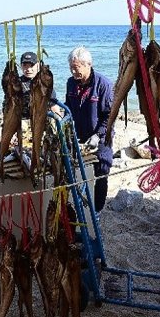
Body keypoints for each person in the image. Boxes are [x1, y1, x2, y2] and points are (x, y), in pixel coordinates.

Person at [65, 46, 113, 213]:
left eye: (76, 68)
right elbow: (68, 109)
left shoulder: (103, 84)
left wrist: (98, 135)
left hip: (100, 138)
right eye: (71, 67)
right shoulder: (71, 83)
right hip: (78, 136)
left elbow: (109, 116)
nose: (73, 71)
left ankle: (97, 211)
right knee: (76, 172)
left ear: (88, 64)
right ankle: (79, 207)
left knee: (101, 174)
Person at [19, 51, 58, 120]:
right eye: (25, 66)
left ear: (38, 66)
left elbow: (53, 105)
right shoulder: (17, 83)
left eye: (31, 65)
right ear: (21, 66)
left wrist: (58, 120)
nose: (28, 69)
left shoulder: (45, 83)